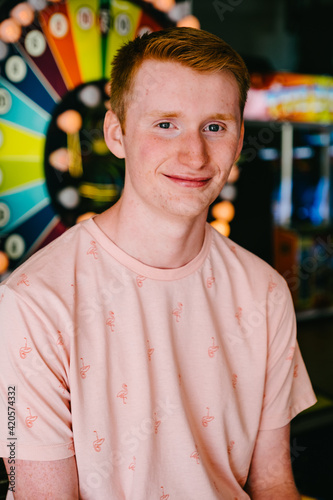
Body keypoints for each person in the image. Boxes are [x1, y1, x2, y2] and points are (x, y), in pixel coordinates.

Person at [0, 27, 316, 499]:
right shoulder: (30, 305)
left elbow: (272, 484)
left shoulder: (264, 291)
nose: (194, 154)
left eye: (215, 126)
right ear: (117, 133)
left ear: (238, 138)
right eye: (165, 124)